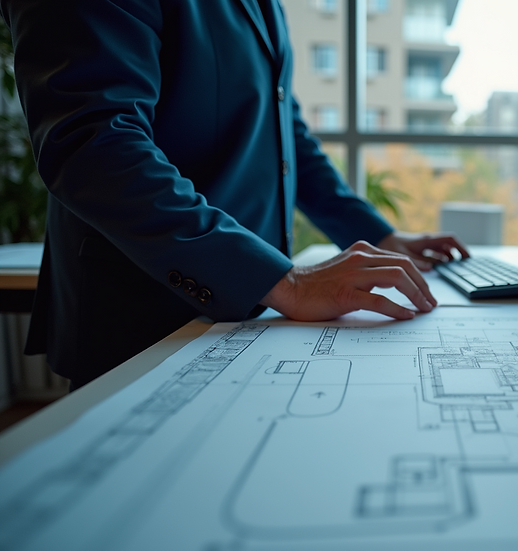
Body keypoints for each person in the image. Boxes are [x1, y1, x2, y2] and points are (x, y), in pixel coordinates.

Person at [1, 0, 468, 389]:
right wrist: (288, 284)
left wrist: (378, 235)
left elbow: (283, 130)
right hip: (141, 317)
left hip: (254, 319)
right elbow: (94, 146)